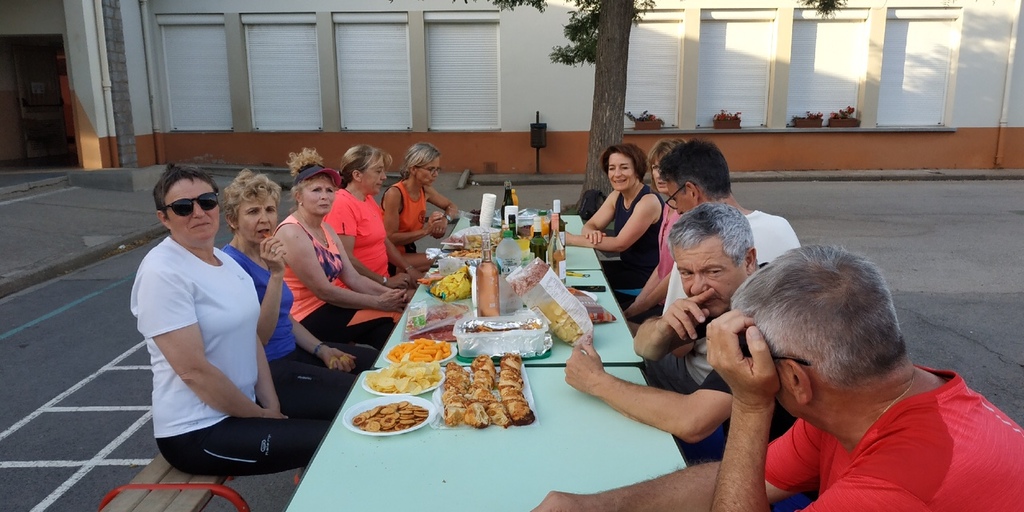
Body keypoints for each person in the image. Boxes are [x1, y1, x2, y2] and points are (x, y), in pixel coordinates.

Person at [535, 245, 1024, 511]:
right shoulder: (858, 401)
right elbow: (746, 480)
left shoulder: (898, 486)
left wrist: (750, 404)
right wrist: (591, 507)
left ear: (793, 379)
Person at [130, 164, 327, 476]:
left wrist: (271, 406)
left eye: (207, 202)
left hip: (243, 410)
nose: (198, 213)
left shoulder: (225, 262)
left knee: (346, 421)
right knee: (335, 443)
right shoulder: (162, 273)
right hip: (198, 430)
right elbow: (194, 372)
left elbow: (253, 339)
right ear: (164, 218)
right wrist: (258, 415)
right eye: (183, 207)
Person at [565, 203, 794, 454]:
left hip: (772, 462)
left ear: (748, 260)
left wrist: (596, 381)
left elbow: (693, 423)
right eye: (686, 272)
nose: (696, 287)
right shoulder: (731, 291)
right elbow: (645, 348)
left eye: (713, 271)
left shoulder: (762, 318)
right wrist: (664, 327)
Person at [221, 169, 378, 421]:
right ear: (232, 220)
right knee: (363, 396)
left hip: (295, 350)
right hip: (271, 367)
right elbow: (260, 338)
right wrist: (276, 275)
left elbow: (286, 318)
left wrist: (322, 349)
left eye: (269, 210)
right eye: (253, 212)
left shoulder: (265, 253)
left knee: (378, 364)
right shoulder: (231, 265)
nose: (264, 219)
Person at [276, 148, 408, 350]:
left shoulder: (326, 228)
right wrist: (379, 302)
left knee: (392, 325)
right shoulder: (292, 232)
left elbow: (353, 278)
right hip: (306, 317)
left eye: (329, 191)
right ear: (298, 196)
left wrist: (396, 296)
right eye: (316, 190)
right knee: (392, 317)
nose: (324, 196)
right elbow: (324, 291)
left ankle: (405, 365)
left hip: (330, 306)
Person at [565, 143, 663, 308]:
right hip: (626, 267)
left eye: (624, 168)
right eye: (612, 168)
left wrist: (569, 239)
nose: (617, 174)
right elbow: (591, 224)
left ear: (637, 170)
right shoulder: (617, 195)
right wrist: (592, 232)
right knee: (574, 274)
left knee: (579, 287)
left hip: (645, 279)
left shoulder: (648, 201)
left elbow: (619, 244)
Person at [325, 144, 423, 291]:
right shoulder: (342, 204)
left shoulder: (368, 198)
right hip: (358, 290)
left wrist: (409, 268)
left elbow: (383, 240)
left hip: (381, 282)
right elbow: (345, 258)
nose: (384, 177)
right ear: (357, 175)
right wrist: (385, 282)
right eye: (378, 171)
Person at [622, 138, 686, 324]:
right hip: (658, 298)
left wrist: (640, 307)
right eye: (656, 167)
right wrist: (638, 303)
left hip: (674, 305)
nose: (660, 174)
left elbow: (674, 273)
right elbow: (661, 266)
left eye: (666, 167)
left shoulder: (685, 213)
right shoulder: (668, 206)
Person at [381, 142, 459, 273]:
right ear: (413, 169)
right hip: (390, 256)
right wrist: (427, 230)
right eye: (430, 169)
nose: (435, 174)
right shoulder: (395, 193)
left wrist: (445, 220)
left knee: (453, 261)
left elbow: (451, 206)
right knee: (447, 262)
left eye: (437, 169)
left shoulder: (424, 189)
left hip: (408, 251)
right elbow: (389, 238)